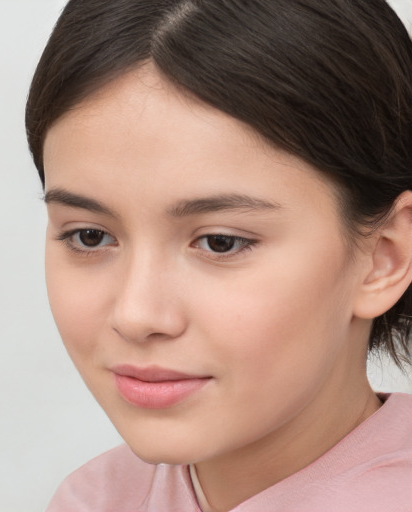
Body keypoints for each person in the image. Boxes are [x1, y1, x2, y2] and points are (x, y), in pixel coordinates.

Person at [25, 1, 412, 510]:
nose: (137, 315)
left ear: (384, 258)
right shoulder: (94, 498)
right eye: (90, 237)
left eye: (220, 242)